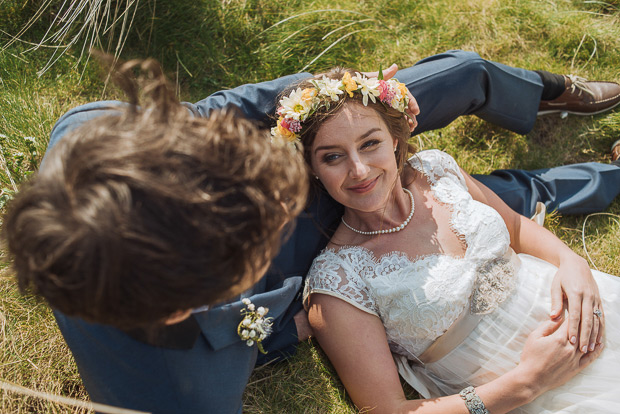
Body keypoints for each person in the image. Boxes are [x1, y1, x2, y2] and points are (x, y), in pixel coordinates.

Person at [3, 50, 620, 414]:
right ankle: (597, 179)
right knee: (501, 202)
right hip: (310, 254)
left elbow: (230, 107)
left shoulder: (96, 133)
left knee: (454, 93)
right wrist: (300, 320)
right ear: (179, 306)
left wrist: (315, 103)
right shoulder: (172, 392)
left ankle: (548, 93)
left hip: (303, 135)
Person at [277, 68, 620, 413]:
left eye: (370, 144)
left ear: (394, 139)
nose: (360, 170)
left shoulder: (436, 169)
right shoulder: (336, 281)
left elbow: (514, 227)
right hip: (526, 392)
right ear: (312, 168)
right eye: (333, 157)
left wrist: (571, 263)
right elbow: (387, 410)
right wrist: (529, 381)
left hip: (584, 303)